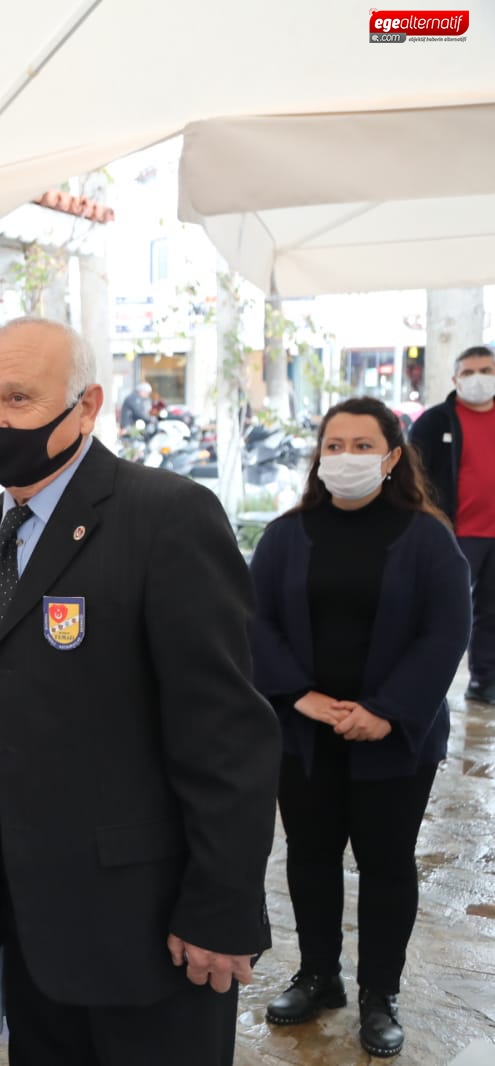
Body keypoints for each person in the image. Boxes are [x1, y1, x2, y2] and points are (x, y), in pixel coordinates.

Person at [0, 317, 281, 1066]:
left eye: (16, 398)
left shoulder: (165, 517)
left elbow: (227, 734)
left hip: (145, 925)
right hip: (27, 911)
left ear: (87, 405)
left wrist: (221, 906)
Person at [251, 397, 470, 1059]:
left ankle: (380, 992)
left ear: (392, 457)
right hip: (305, 731)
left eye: (360, 445)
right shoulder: (286, 534)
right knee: (310, 857)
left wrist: (387, 709)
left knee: (384, 863)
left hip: (396, 736)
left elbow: (444, 630)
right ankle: (318, 976)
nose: (344, 457)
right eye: (333, 445)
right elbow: (251, 619)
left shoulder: (426, 537)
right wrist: (299, 696)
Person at [409, 344, 495, 703]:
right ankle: (423, 683)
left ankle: (484, 682)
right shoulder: (434, 422)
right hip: (453, 533)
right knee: (440, 612)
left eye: (487, 371)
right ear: (455, 379)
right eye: (470, 372)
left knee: (491, 612)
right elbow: (411, 474)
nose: (479, 379)